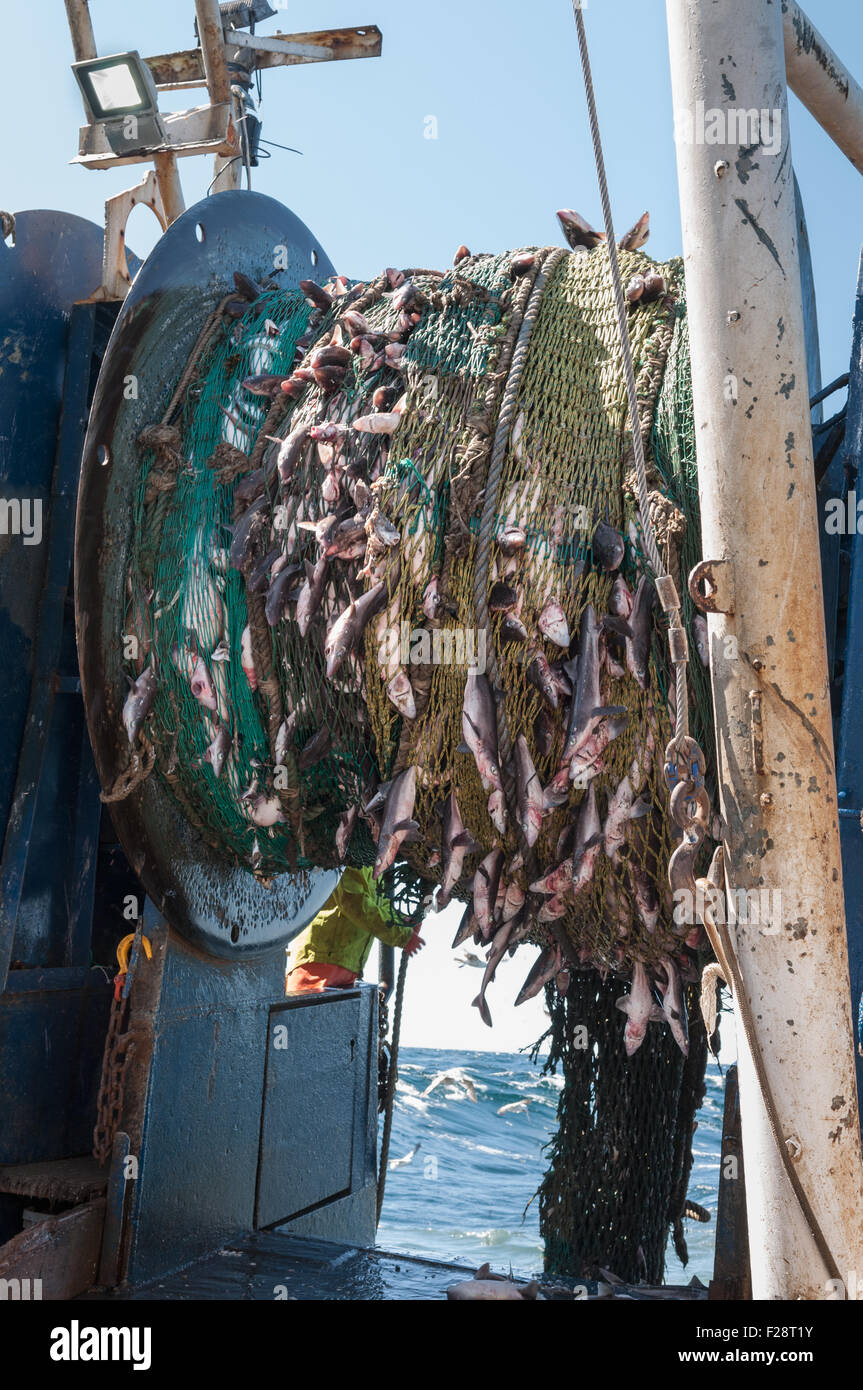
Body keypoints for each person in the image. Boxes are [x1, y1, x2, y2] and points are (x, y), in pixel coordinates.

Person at [286, 865, 425, 993]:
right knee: (304, 1016)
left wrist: (405, 924)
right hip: (317, 962)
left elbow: (381, 909)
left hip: (346, 968)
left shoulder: (375, 867)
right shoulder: (349, 856)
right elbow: (354, 903)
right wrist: (402, 936)